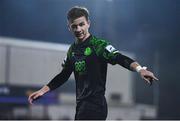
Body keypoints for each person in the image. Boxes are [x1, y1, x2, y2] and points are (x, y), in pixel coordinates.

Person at [28, 6, 158, 120]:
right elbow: (64, 75)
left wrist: (140, 69)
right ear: (69, 28)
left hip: (95, 106)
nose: (78, 29)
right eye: (74, 26)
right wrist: (43, 91)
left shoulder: (98, 45)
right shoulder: (72, 50)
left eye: (81, 24)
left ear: (88, 23)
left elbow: (120, 58)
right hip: (81, 106)